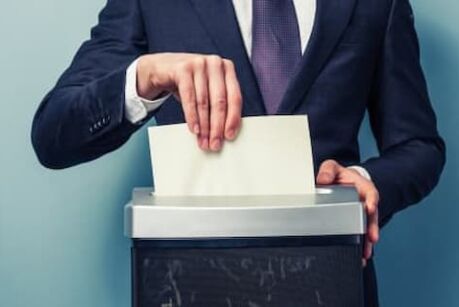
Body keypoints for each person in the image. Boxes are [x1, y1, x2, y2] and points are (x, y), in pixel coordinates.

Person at [31, 0, 445, 305]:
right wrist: (145, 77)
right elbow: (54, 133)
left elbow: (419, 145)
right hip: (191, 284)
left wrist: (368, 182)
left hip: (330, 282)